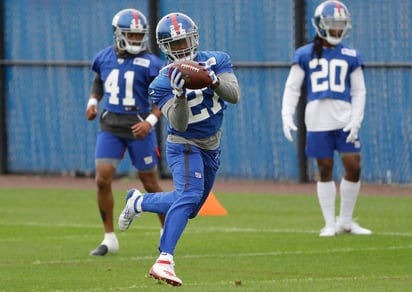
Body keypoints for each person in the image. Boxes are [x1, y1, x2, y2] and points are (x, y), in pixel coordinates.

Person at [118, 12, 240, 286]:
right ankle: (165, 260)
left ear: (194, 37)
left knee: (191, 205)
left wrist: (213, 80)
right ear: (164, 47)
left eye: (184, 40)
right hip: (183, 145)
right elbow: (180, 124)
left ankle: (138, 202)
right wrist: (180, 95)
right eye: (174, 44)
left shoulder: (216, 60)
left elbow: (234, 95)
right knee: (190, 195)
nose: (182, 48)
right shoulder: (160, 83)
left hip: (211, 146)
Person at [281, 0, 372, 237]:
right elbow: (292, 88)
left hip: (344, 119)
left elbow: (359, 91)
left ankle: (346, 221)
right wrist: (286, 114)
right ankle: (330, 223)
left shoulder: (351, 54)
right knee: (325, 168)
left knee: (354, 165)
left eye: (341, 25)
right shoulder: (304, 54)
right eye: (333, 25)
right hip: (318, 120)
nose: (337, 30)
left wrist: (356, 119)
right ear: (320, 25)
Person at [85, 8, 165, 256]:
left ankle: (166, 232)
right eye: (130, 35)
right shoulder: (103, 58)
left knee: (150, 183)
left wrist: (150, 122)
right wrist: (92, 102)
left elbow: (163, 96)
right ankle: (109, 238)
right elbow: (99, 82)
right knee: (101, 179)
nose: (135, 40)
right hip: (111, 126)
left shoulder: (152, 63)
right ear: (119, 34)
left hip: (140, 127)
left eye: (138, 35)